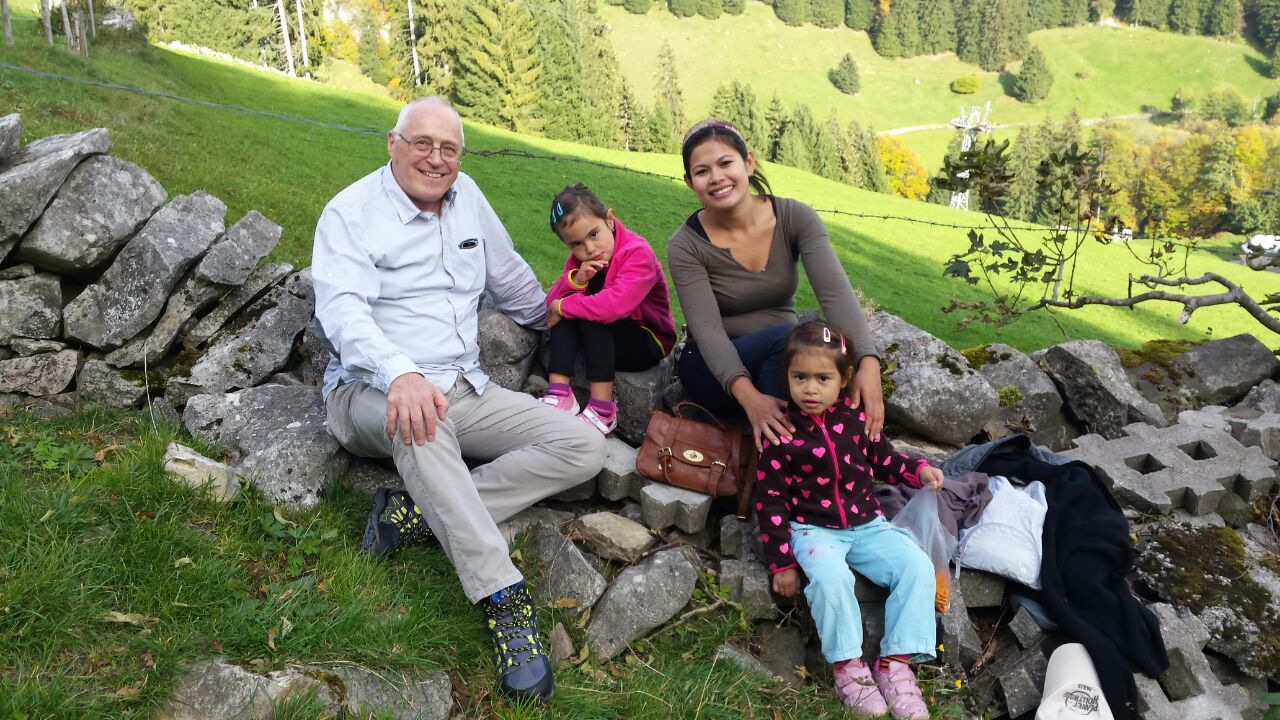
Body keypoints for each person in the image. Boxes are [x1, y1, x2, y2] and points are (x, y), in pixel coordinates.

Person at [312, 96, 605, 705]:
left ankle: (413, 513)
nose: (436, 158)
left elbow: (511, 276)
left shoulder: (466, 195)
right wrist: (399, 372)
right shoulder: (351, 214)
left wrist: (564, 325)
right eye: (422, 143)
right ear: (392, 143)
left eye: (449, 148)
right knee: (420, 422)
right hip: (370, 391)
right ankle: (504, 599)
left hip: (466, 388)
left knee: (583, 446)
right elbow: (342, 313)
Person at [755, 321, 943, 720]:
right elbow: (770, 501)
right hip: (813, 530)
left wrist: (919, 471)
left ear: (845, 379)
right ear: (786, 376)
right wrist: (782, 562)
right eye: (799, 377)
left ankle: (895, 664)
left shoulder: (856, 420)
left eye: (822, 378)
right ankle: (848, 668)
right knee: (831, 578)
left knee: (917, 567)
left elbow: (885, 460)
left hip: (868, 524)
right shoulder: (782, 433)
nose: (810, 389)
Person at [667, 119, 884, 451]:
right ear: (689, 182)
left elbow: (834, 292)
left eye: (725, 163)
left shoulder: (796, 217)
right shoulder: (685, 245)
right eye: (702, 171)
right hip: (714, 371)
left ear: (748, 163)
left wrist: (867, 361)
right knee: (791, 341)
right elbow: (707, 330)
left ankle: (841, 463)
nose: (716, 177)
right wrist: (751, 399)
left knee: (822, 354)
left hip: (781, 359)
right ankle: (781, 467)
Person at [542, 183, 676, 434]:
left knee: (583, 311)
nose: (589, 249)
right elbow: (551, 303)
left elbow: (612, 307)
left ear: (610, 220)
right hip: (610, 335)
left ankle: (602, 409)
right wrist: (576, 280)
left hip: (646, 341)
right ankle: (560, 394)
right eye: (576, 244)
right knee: (569, 305)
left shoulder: (637, 252)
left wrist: (564, 305)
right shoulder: (580, 261)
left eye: (594, 234)